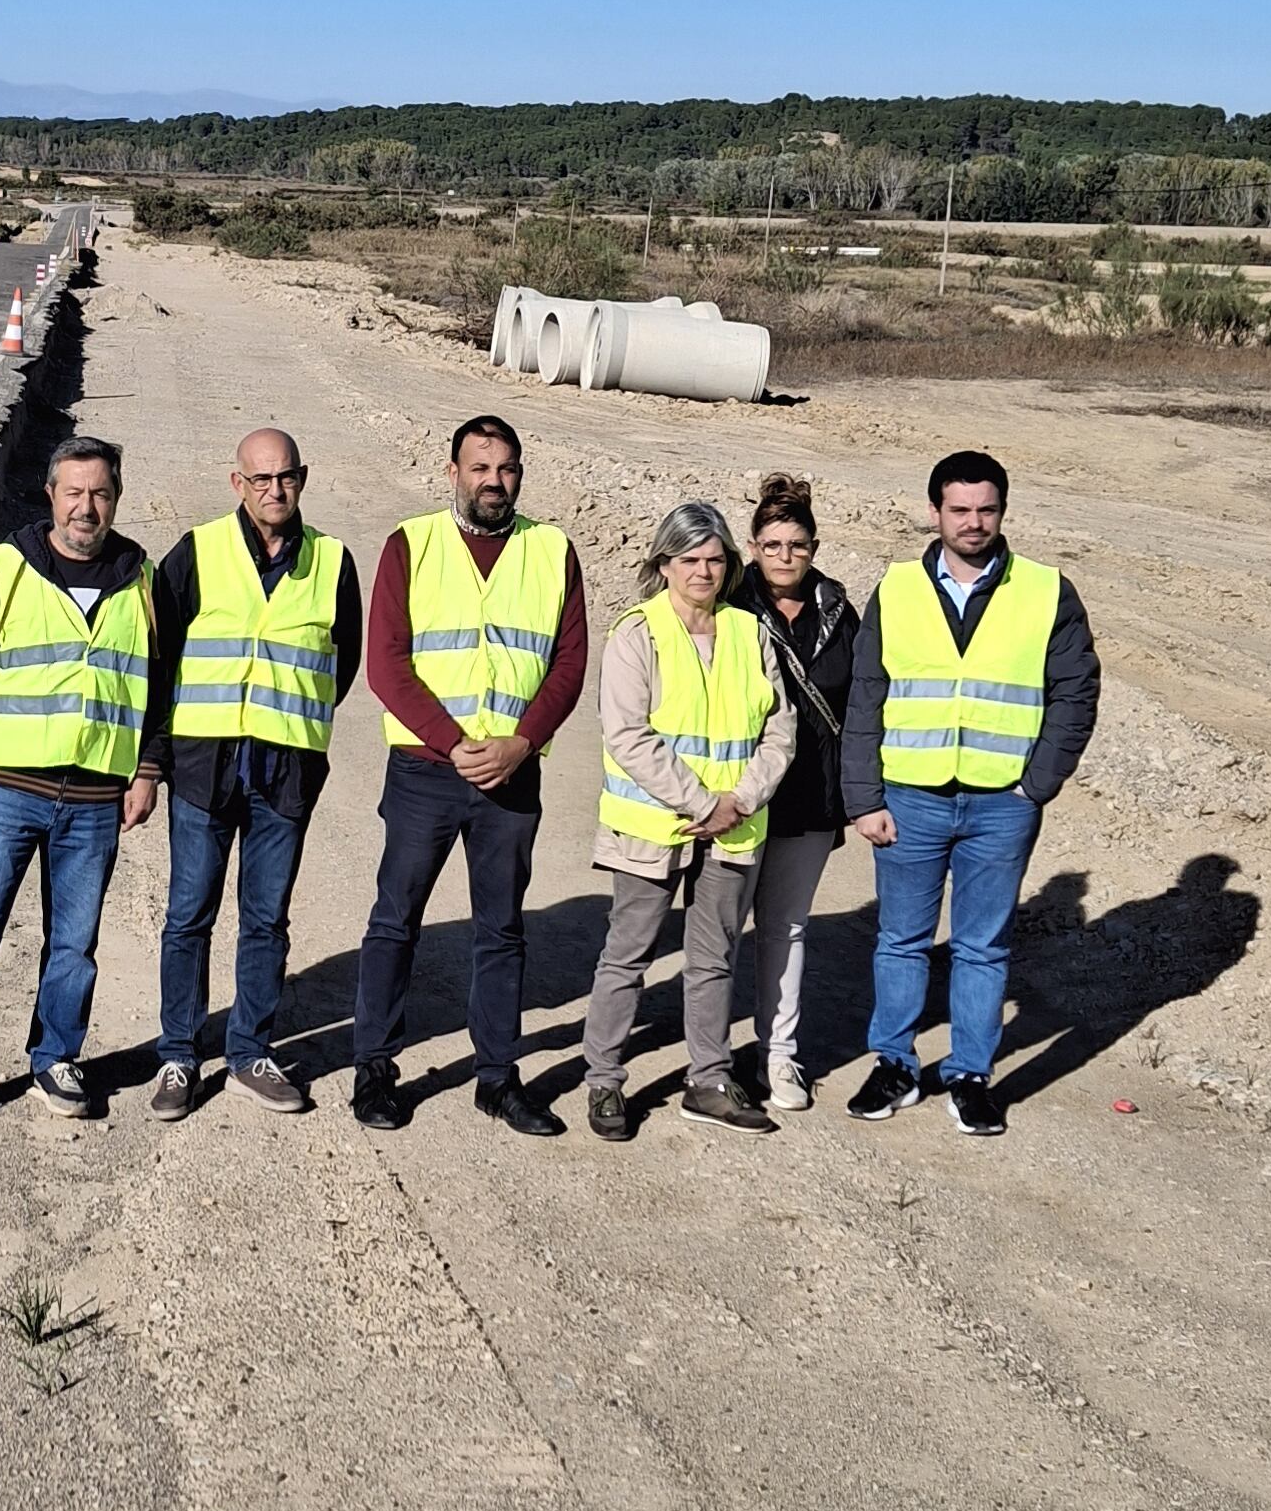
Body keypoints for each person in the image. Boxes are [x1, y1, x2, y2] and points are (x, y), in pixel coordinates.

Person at [841, 447, 1102, 1138]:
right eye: (960, 509)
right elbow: (866, 694)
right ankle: (894, 1064)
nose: (974, 522)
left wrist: (1036, 784)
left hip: (1001, 805)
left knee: (983, 948)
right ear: (935, 512)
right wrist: (863, 797)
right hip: (911, 798)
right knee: (902, 940)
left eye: (987, 509)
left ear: (1003, 512)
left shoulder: (1047, 590)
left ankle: (968, 1076)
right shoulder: (896, 588)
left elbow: (1076, 691)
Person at [349, 415, 589, 1137]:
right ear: (452, 471)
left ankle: (497, 1078)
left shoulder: (551, 550)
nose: (494, 481)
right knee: (395, 923)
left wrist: (522, 742)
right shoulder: (411, 545)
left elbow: (569, 664)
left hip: (511, 779)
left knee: (502, 930)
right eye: (480, 467)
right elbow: (385, 665)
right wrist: (455, 743)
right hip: (427, 771)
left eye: (507, 468)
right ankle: (374, 1069)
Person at [0, 434, 165, 1126]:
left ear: (116, 498)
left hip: (95, 799)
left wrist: (147, 770)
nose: (87, 507)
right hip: (5, 791)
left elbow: (158, 689)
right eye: (74, 492)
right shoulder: (9, 567)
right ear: (51, 494)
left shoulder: (142, 579)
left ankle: (56, 1056)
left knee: (75, 945)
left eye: (101, 494)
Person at [149, 429, 366, 1118]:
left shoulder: (332, 562)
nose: (276, 491)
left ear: (304, 478)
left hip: (285, 775)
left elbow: (343, 662)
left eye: (288, 478)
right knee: (189, 915)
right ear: (237, 483)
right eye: (262, 479)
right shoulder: (197, 552)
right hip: (204, 770)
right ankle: (180, 1055)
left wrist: (295, 726)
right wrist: (156, 759)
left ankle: (249, 1050)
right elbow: (158, 659)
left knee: (267, 920)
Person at [583, 503, 799, 1139]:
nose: (703, 570)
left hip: (734, 827)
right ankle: (603, 1080)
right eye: (690, 559)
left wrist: (742, 799)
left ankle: (708, 1079)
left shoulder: (748, 631)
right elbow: (627, 733)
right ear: (663, 564)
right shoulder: (637, 633)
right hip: (656, 826)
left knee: (715, 958)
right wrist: (705, 803)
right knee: (628, 955)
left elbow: (778, 727)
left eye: (715, 559)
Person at [725, 471, 858, 1111]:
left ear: (813, 546)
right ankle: (709, 1057)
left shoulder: (837, 610)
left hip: (807, 795)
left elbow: (861, 703)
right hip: (736, 791)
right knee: (718, 928)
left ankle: (778, 1056)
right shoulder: (727, 602)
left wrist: (861, 794)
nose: (784, 558)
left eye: (796, 546)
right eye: (772, 545)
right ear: (752, 546)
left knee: (786, 927)